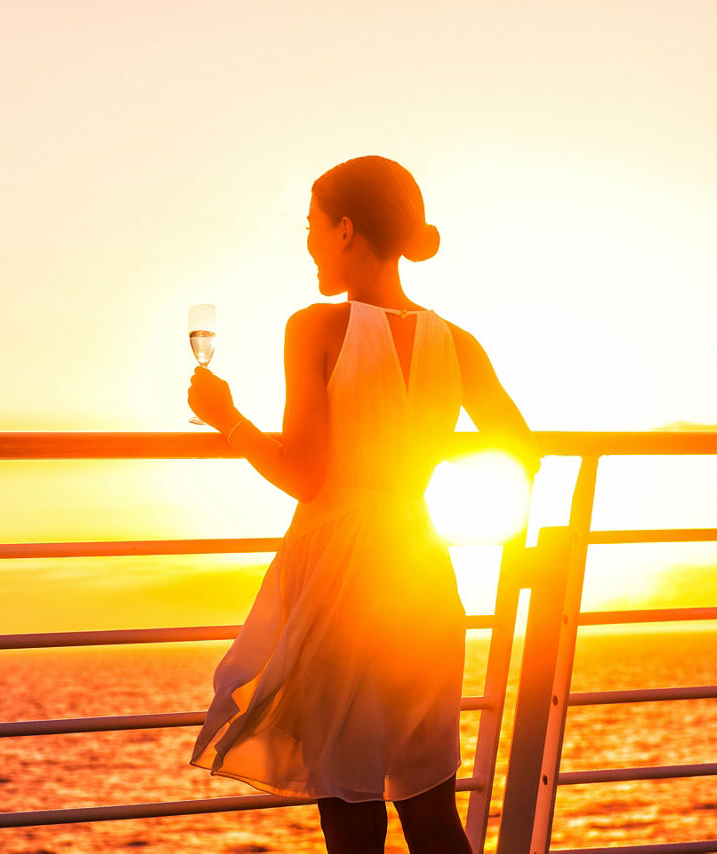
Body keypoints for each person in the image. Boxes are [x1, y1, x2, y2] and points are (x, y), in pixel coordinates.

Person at [186, 155, 538, 854]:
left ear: (346, 230)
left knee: (350, 813)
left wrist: (227, 418)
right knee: (430, 807)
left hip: (343, 582)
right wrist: (420, 456)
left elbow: (306, 475)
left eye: (313, 226)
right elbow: (520, 447)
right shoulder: (457, 343)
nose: (309, 243)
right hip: (420, 571)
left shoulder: (316, 327)